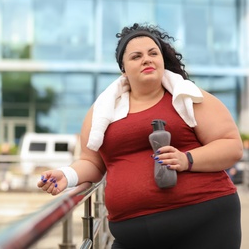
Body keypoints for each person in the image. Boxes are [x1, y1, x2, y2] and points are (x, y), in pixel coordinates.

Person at [37, 23, 243, 249]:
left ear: (162, 60)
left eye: (153, 53)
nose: (147, 59)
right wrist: (68, 175)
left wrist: (186, 159)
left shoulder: (190, 98)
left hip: (204, 222)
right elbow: (92, 162)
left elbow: (231, 145)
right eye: (136, 56)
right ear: (123, 69)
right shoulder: (103, 111)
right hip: (131, 235)